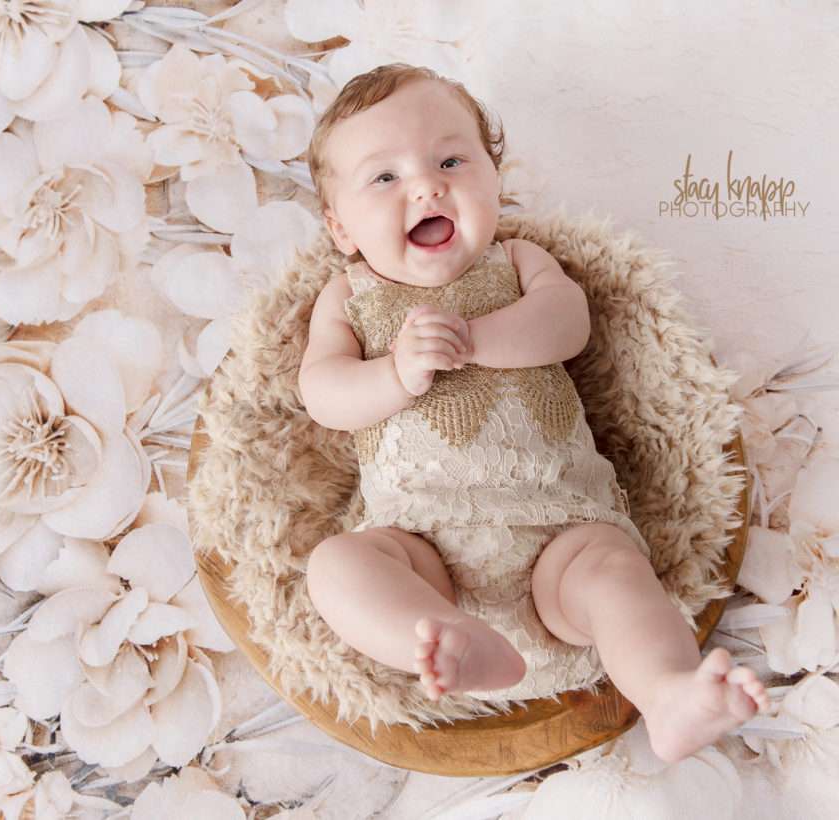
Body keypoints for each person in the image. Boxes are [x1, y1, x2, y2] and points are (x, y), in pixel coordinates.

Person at [297, 63, 769, 765]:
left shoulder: (518, 261)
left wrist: (478, 339)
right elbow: (323, 392)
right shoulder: (349, 296)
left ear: (494, 177)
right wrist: (396, 373)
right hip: (424, 553)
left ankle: (666, 692)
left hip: (559, 535)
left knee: (613, 573)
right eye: (385, 178)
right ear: (341, 228)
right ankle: (444, 636)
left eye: (451, 160)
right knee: (336, 566)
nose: (427, 186)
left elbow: (567, 323)